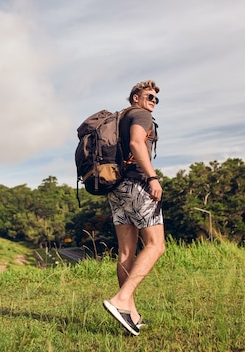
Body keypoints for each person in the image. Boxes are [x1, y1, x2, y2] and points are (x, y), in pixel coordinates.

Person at [102, 80, 165, 336]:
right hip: (138, 184)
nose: (153, 102)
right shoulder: (141, 115)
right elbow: (137, 144)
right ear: (136, 97)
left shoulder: (120, 119)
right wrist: (152, 177)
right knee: (156, 245)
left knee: (127, 251)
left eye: (156, 99)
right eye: (149, 96)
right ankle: (121, 298)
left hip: (116, 188)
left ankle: (131, 315)